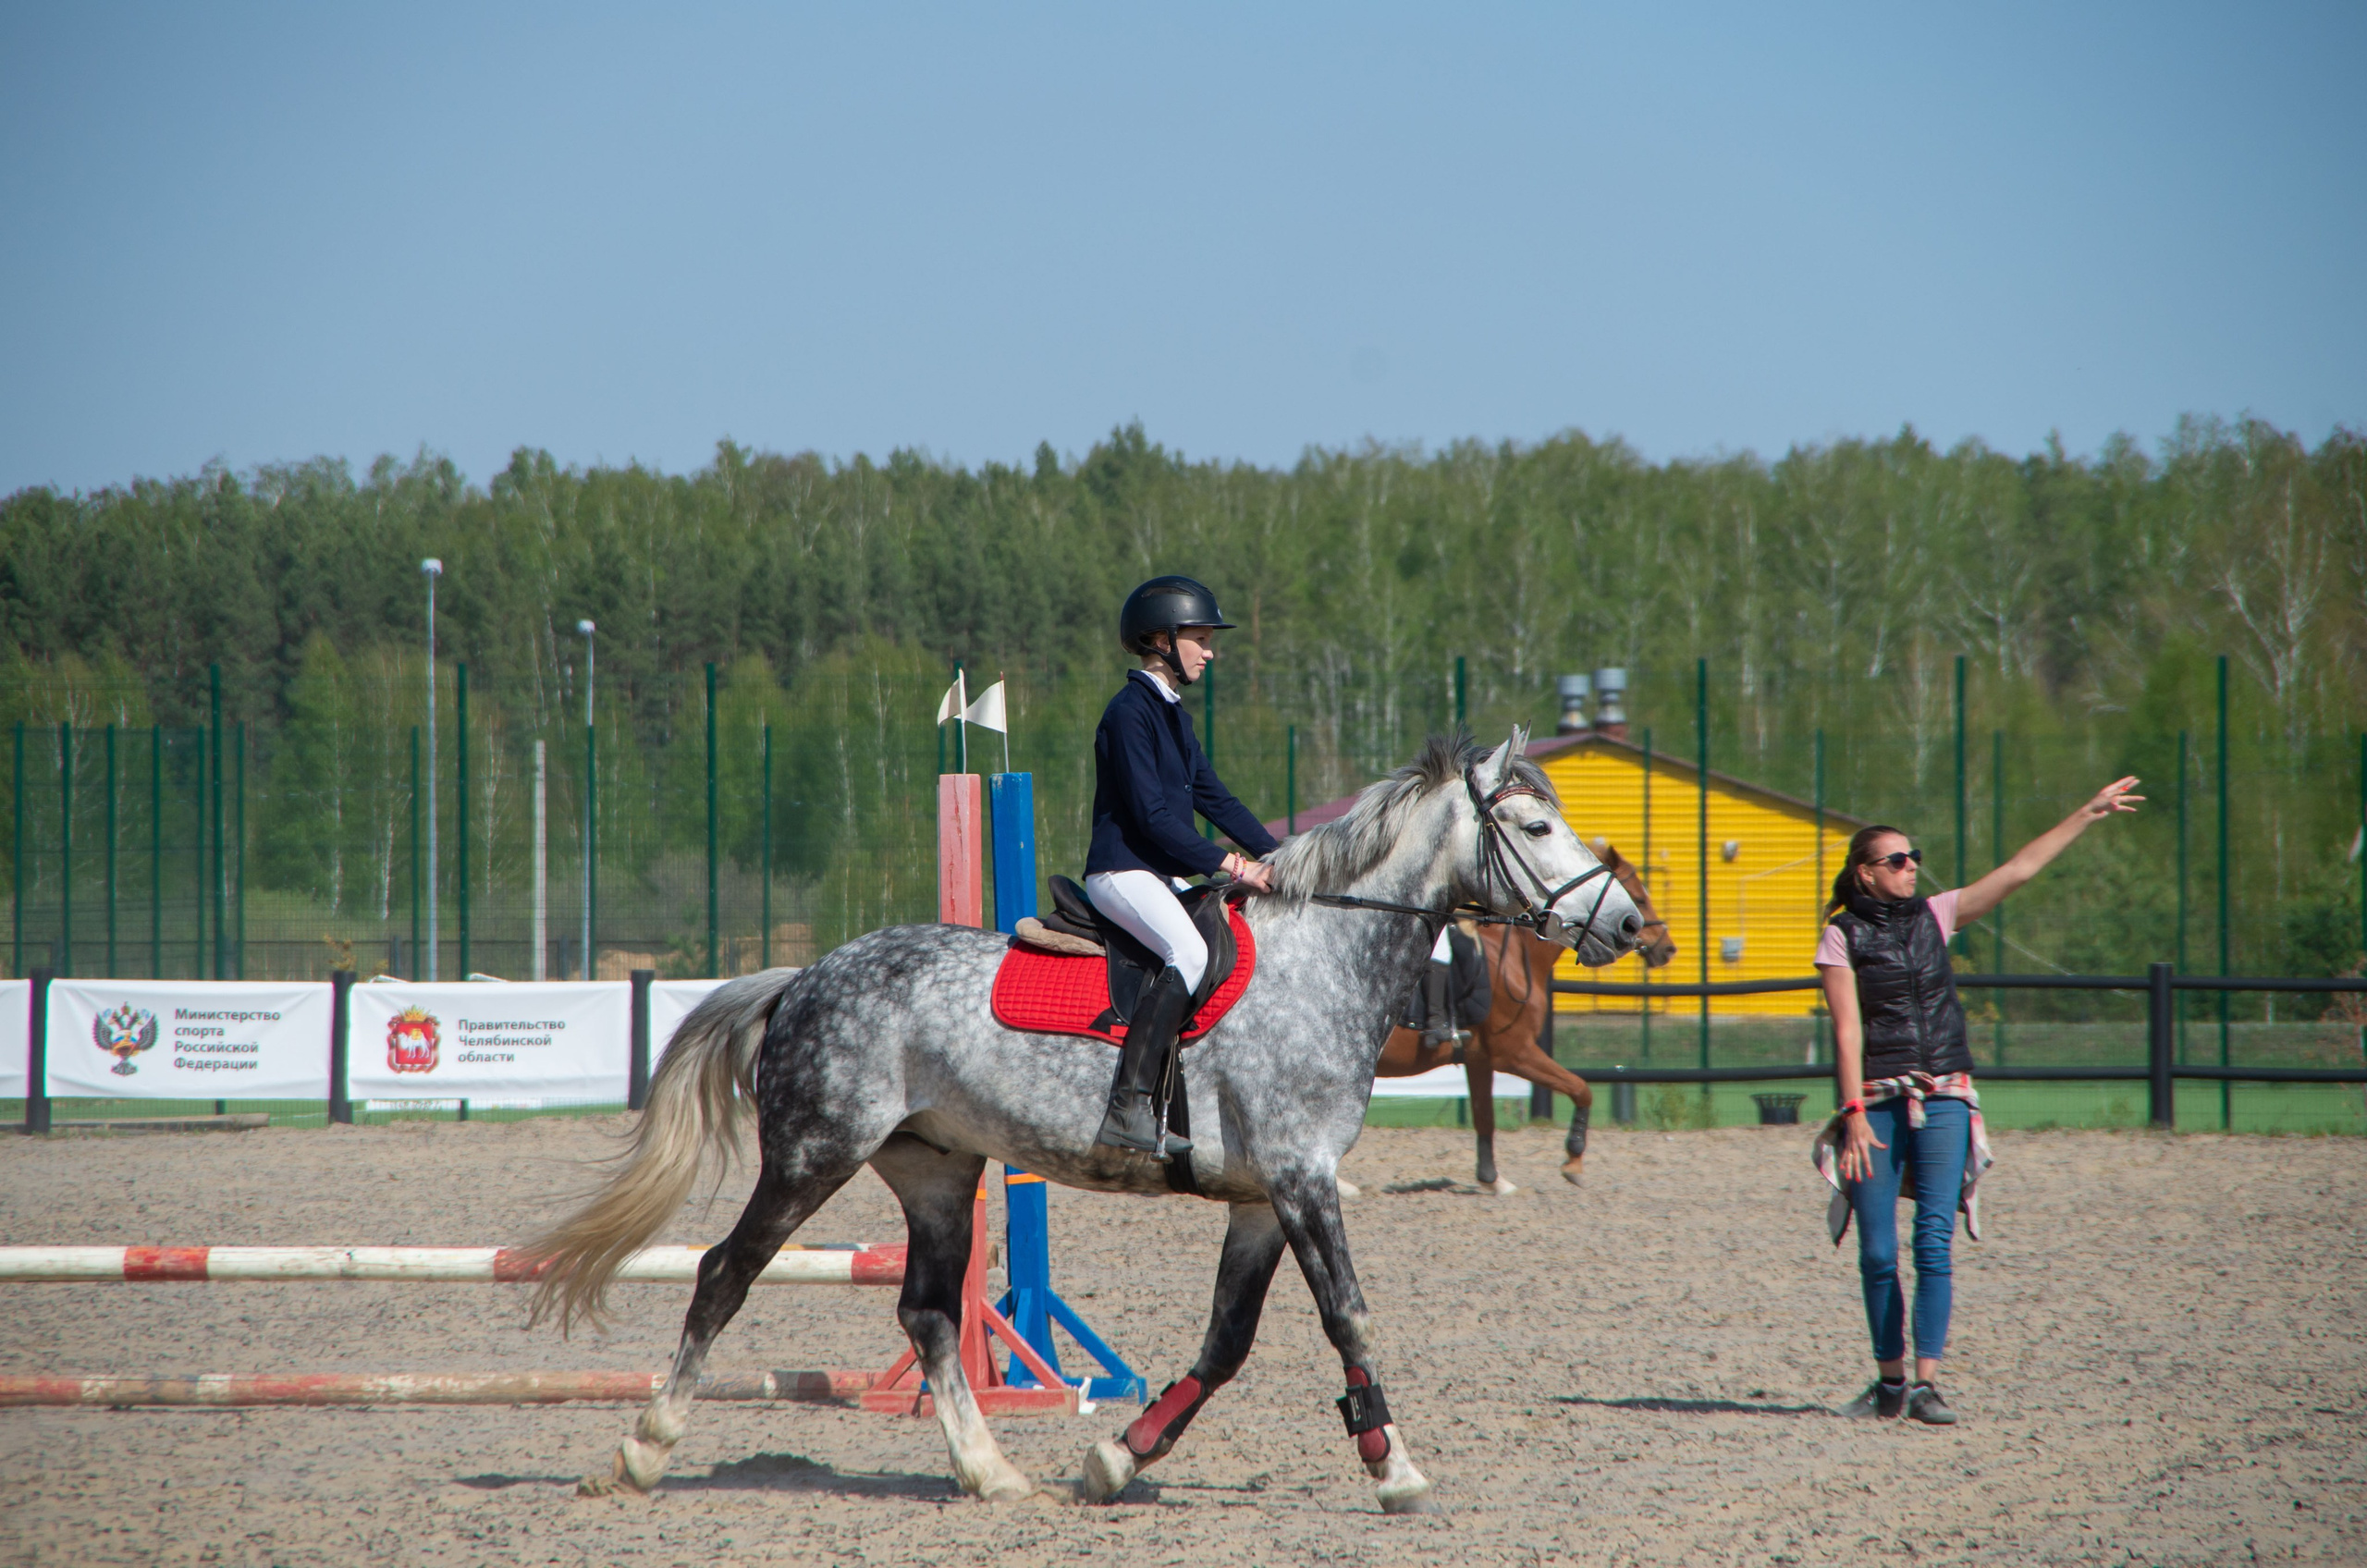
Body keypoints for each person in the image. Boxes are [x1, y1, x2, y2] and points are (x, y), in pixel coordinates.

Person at [1817, 776, 2142, 1424]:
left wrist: (2087, 811)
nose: (1912, 868)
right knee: (1878, 1250)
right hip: (1877, 1101)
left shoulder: (1936, 916)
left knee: (1933, 1241)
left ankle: (1927, 1386)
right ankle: (1888, 1382)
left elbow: (2019, 870)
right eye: (1898, 860)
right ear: (1866, 874)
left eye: (1915, 858)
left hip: (1946, 1099)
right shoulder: (1841, 936)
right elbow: (1848, 1031)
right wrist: (1851, 1113)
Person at [1086, 576, 1278, 1158]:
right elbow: (1150, 816)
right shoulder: (1129, 713)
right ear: (1162, 640)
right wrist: (1231, 865)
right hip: (1122, 871)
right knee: (1189, 954)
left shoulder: (1176, 718)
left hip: (1163, 874)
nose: (1210, 650)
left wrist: (1278, 857)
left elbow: (1215, 800)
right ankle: (1127, 1108)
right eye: (1200, 637)